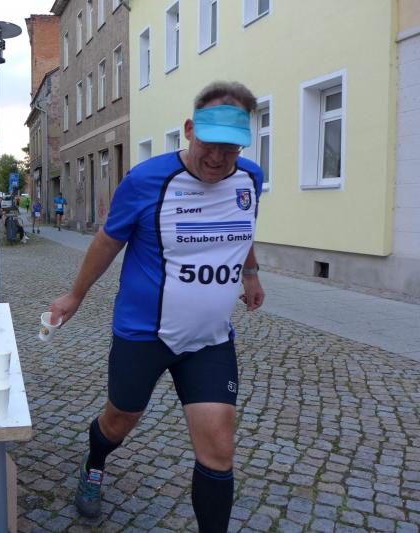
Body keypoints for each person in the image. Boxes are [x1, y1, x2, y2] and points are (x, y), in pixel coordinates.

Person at [47, 81, 265, 531]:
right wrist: (75, 295)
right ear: (189, 129)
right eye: (209, 144)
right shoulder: (146, 180)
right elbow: (108, 241)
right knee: (119, 421)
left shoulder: (250, 179)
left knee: (219, 447)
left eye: (230, 148)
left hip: (208, 340)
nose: (218, 158)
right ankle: (95, 460)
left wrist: (251, 273)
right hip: (143, 334)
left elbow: (242, 226)